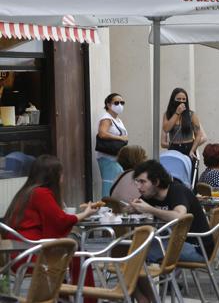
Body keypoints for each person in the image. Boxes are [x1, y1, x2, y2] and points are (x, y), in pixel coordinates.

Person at [3, 155, 98, 303]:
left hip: (17, 253)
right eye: (62, 174)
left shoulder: (26, 191)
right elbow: (60, 222)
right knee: (80, 255)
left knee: (72, 253)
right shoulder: (42, 193)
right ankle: (86, 300)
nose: (63, 178)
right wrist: (85, 214)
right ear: (55, 176)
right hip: (30, 255)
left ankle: (63, 298)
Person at [130, 160, 214, 262]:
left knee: (141, 250)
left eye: (142, 182)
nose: (138, 187)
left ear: (156, 182)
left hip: (198, 247)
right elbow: (134, 211)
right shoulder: (150, 194)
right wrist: (132, 209)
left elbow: (179, 217)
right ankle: (153, 275)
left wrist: (149, 209)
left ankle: (151, 275)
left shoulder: (177, 190)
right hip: (174, 240)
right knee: (135, 245)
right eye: (137, 181)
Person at [96, 93, 128, 196]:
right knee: (109, 184)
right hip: (108, 157)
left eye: (122, 103)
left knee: (116, 184)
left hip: (116, 157)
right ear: (109, 105)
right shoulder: (106, 118)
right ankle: (106, 207)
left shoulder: (117, 120)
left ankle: (112, 207)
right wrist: (120, 138)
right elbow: (102, 133)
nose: (120, 105)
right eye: (116, 103)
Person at [162, 88, 203, 159]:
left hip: (189, 147)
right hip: (174, 148)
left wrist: (192, 150)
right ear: (173, 100)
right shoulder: (167, 114)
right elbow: (166, 129)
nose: (181, 101)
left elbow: (198, 135)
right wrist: (177, 113)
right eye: (179, 99)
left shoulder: (191, 114)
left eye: (184, 99)